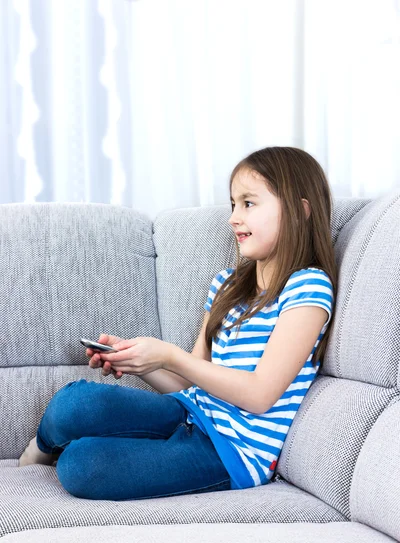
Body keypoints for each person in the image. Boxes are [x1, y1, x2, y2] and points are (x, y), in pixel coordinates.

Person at [19, 146, 337, 501]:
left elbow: (260, 395)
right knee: (73, 403)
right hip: (189, 410)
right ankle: (43, 446)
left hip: (231, 452)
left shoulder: (307, 287)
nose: (233, 217)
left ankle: (77, 451)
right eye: (233, 204)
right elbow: (188, 379)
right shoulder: (228, 285)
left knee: (82, 465)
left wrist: (169, 355)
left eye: (249, 203)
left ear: (300, 212)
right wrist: (140, 361)